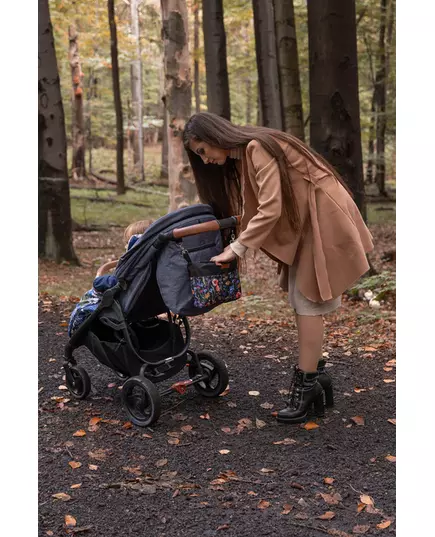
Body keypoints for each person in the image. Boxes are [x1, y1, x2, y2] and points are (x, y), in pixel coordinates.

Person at [183, 112, 374, 424]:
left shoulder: (256, 147)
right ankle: (315, 377)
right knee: (303, 301)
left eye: (203, 150)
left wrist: (239, 246)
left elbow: (270, 208)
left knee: (307, 302)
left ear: (215, 136)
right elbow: (261, 205)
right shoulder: (247, 152)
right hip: (309, 218)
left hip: (321, 215)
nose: (204, 160)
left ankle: (308, 385)